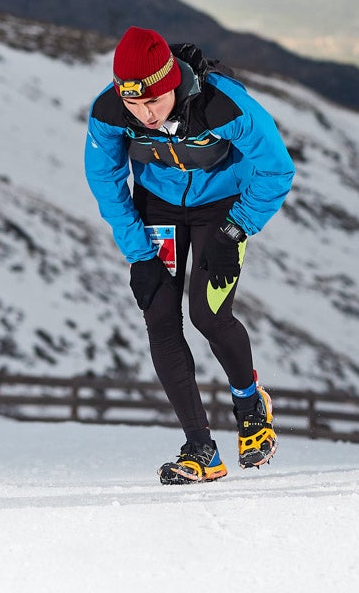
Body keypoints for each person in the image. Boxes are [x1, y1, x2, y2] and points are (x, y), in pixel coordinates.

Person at [84, 26, 295, 484]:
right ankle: (200, 448)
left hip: (221, 211)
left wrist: (235, 228)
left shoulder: (222, 105)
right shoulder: (108, 111)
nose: (146, 116)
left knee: (208, 313)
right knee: (159, 316)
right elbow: (105, 180)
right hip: (158, 208)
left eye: (154, 103)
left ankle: (250, 405)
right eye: (134, 106)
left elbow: (277, 169)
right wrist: (139, 255)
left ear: (172, 85)